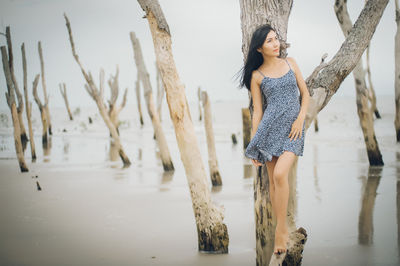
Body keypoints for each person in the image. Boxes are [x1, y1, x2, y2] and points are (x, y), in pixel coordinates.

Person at [238, 24, 310, 255]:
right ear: (259, 48)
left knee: (280, 174)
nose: (276, 43)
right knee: (272, 180)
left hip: (293, 130)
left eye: (276, 38)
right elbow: (258, 112)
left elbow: (305, 94)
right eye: (269, 41)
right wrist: (254, 145)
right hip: (269, 130)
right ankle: (279, 227)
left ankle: (280, 230)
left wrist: (300, 120)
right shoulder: (256, 76)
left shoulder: (291, 63)